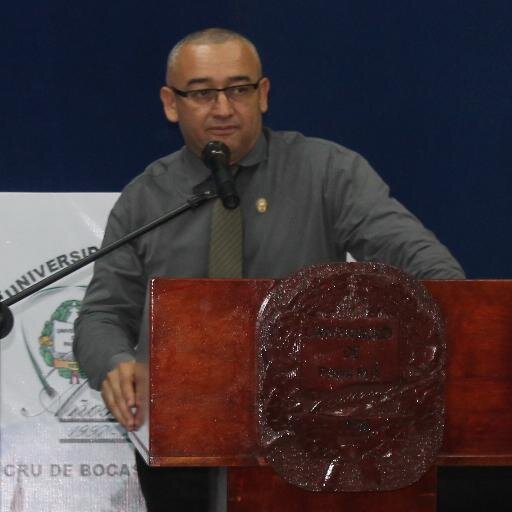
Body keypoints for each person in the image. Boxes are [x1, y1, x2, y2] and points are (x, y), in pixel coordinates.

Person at [73, 28, 465, 512]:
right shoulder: (148, 197)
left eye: (238, 89)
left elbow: (430, 270)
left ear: (263, 95)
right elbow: (102, 315)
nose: (222, 108)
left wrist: (437, 335)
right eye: (201, 92)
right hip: (182, 432)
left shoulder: (327, 172)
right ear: (171, 103)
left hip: (313, 435)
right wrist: (116, 364)